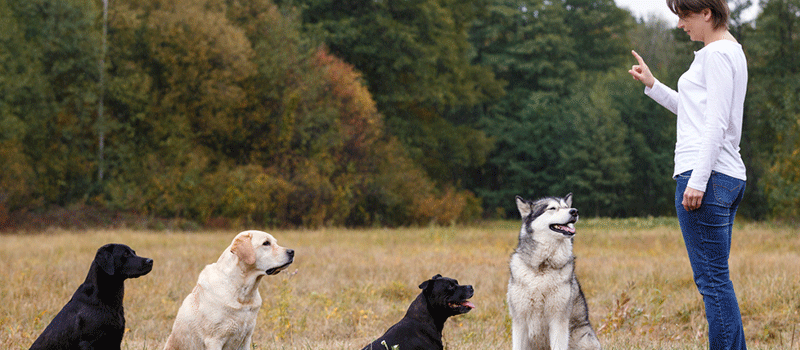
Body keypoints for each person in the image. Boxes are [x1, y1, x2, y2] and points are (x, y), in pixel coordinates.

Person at [627, 0, 748, 349]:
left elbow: (715, 123)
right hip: (725, 176)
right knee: (717, 281)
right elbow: (696, 112)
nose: (681, 25)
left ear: (706, 13)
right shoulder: (730, 52)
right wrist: (654, 85)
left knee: (713, 283)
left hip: (707, 176)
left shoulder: (716, 55)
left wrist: (697, 180)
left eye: (684, 15)